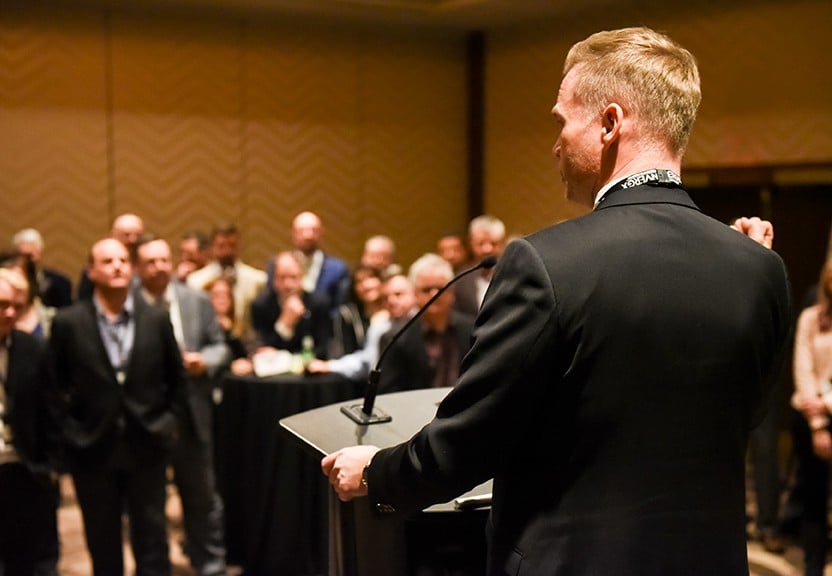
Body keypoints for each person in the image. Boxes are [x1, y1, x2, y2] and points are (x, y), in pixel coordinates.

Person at [322, 27, 790, 576]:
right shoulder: (760, 268)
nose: (556, 143)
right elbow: (745, 415)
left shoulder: (545, 262)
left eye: (562, 121)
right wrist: (745, 267)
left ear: (610, 124)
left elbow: (470, 441)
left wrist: (376, 473)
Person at [49, 237, 184, 576]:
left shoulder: (156, 318)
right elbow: (52, 387)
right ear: (91, 271)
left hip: (147, 445)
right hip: (92, 447)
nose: (118, 267)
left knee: (152, 542)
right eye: (108, 261)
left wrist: (168, 423)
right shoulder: (68, 322)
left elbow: (177, 380)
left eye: (123, 260)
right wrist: (71, 433)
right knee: (103, 543)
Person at [136, 237, 229, 576]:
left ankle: (211, 565)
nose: (159, 267)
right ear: (138, 269)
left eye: (164, 260)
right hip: (148, 417)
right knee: (148, 503)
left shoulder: (196, 300)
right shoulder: (129, 305)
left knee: (202, 496)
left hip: (192, 413)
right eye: (151, 262)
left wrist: (204, 361)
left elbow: (220, 346)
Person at [0, 268, 60, 576]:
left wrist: (49, 466)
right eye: (2, 304)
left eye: (16, 307)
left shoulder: (33, 349)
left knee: (22, 566)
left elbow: (50, 412)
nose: (10, 313)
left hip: (22, 475)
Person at [377, 253, 474, 393]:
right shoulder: (394, 338)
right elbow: (389, 392)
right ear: (415, 294)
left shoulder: (473, 329)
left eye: (441, 288)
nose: (434, 294)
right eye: (426, 290)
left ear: (452, 292)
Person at [790, 257, 832, 576]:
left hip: (826, 407)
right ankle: (812, 567)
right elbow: (802, 367)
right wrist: (818, 423)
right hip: (808, 417)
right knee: (813, 498)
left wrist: (828, 403)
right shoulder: (810, 317)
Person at [309, 273, 415, 382]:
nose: (391, 301)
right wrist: (330, 366)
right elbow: (366, 361)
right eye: (386, 297)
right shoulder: (379, 327)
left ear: (414, 294)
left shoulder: (422, 325)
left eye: (398, 294)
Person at [187, 224, 266, 345]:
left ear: (239, 246)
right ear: (212, 248)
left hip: (246, 344)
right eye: (221, 246)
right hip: (208, 343)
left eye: (231, 245)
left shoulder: (257, 280)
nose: (227, 251)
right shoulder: (196, 281)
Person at [250, 251, 333, 359]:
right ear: (274, 280)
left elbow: (323, 349)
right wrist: (284, 324)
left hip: (308, 366)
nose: (288, 285)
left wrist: (292, 359)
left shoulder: (319, 304)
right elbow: (263, 350)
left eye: (293, 277)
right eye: (282, 277)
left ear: (302, 277)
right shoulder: (260, 305)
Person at [268, 211, 349, 312]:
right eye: (302, 230)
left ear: (322, 233)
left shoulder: (338, 269)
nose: (308, 235)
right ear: (293, 233)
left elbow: (340, 307)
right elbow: (270, 301)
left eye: (314, 230)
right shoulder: (277, 264)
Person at [77, 213, 145, 300]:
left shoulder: (148, 264)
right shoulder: (97, 268)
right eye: (126, 235)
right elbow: (84, 300)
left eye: (138, 235)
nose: (133, 240)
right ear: (113, 235)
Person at [452, 215, 507, 317]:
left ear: (503, 243)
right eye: (481, 243)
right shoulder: (461, 278)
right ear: (471, 243)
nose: (487, 249)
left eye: (493, 243)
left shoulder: (514, 275)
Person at [329, 264, 386, 358]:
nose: (366, 285)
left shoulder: (394, 310)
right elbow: (346, 353)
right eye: (359, 281)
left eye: (370, 277)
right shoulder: (347, 315)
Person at [12, 227, 74, 309]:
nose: (26, 260)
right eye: (22, 256)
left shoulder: (60, 283)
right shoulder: (6, 283)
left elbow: (66, 313)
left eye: (30, 256)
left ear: (39, 254)